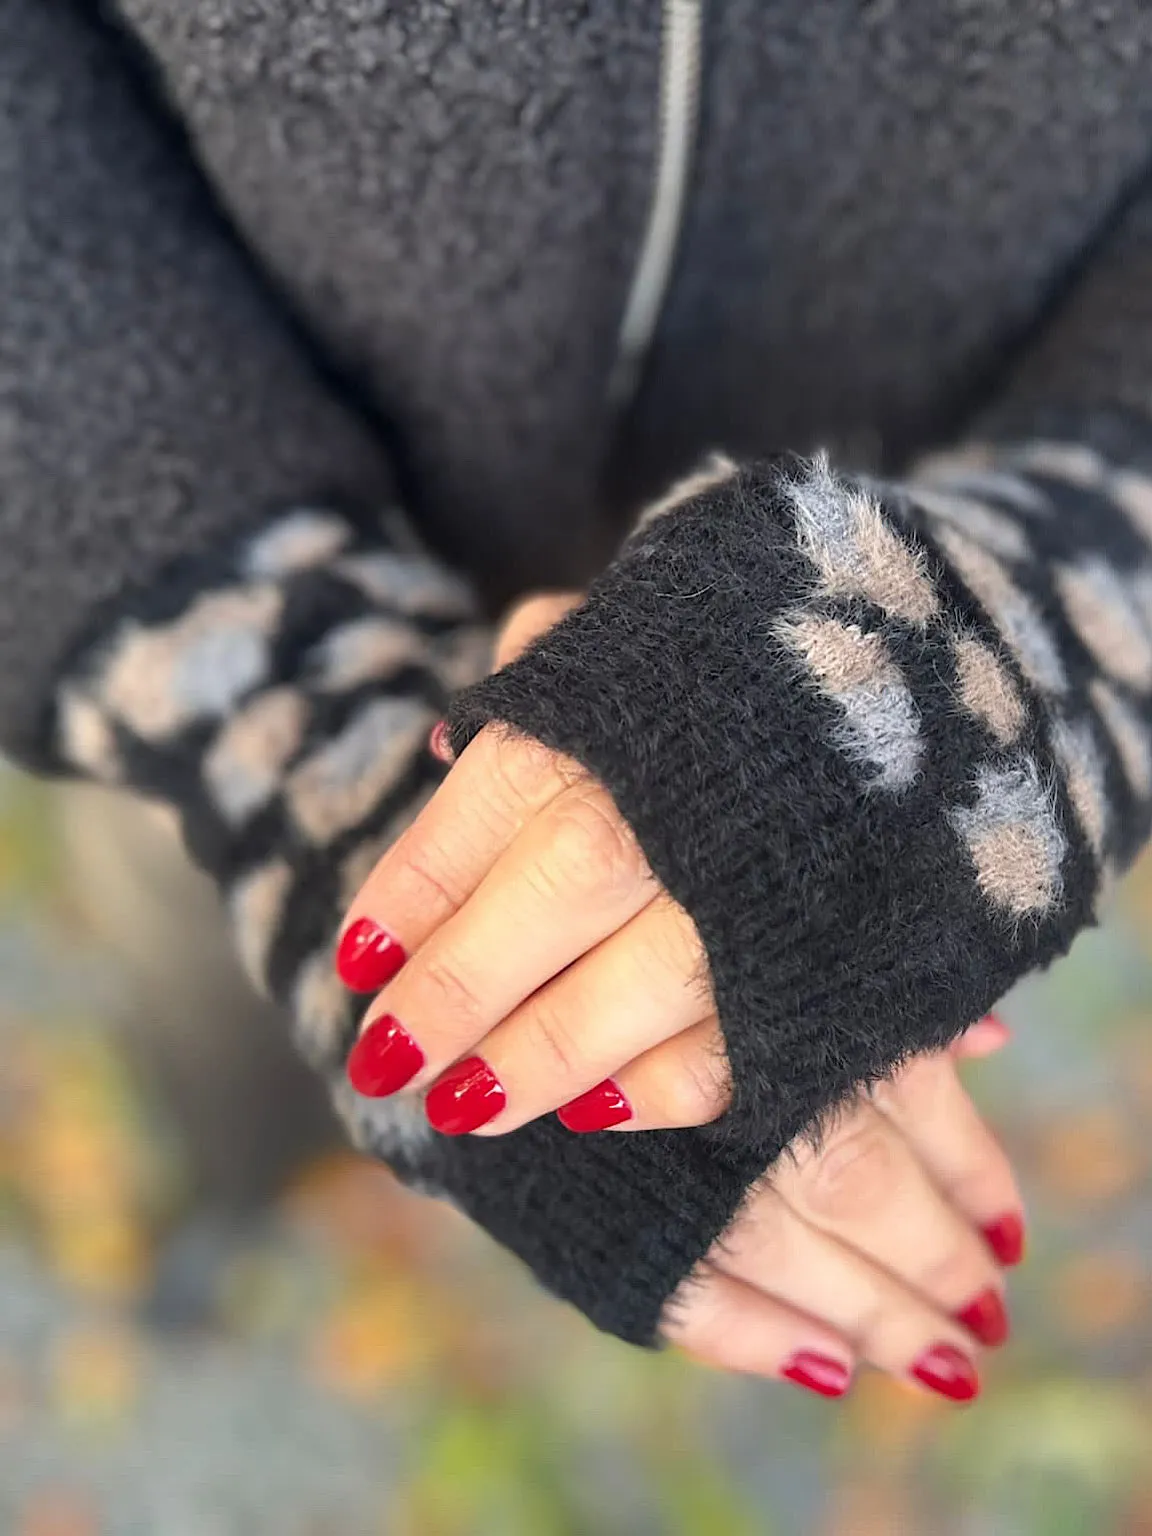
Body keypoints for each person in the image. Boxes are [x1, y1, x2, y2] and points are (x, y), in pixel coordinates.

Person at [4, 0, 1151, 1402]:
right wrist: (287, 686)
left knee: (796, 1028)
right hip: (227, 528)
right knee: (231, 1008)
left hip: (930, 561)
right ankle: (237, 1187)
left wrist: (1049, 607)